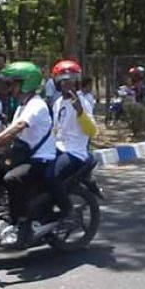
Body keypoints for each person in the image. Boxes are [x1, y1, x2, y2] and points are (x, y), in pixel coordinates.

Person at [0, 61, 55, 248]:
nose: (10, 87)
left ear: (27, 83)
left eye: (14, 83)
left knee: (11, 178)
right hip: (24, 154)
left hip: (40, 159)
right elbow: (9, 129)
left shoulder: (36, 105)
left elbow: (17, 128)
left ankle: (22, 224)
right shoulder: (22, 105)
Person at [50, 60, 97, 229]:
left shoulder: (82, 102)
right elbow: (56, 130)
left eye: (70, 79)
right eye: (63, 80)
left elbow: (92, 131)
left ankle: (68, 212)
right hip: (57, 149)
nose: (66, 83)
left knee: (51, 175)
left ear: (77, 81)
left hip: (75, 152)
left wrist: (80, 111)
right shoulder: (57, 103)